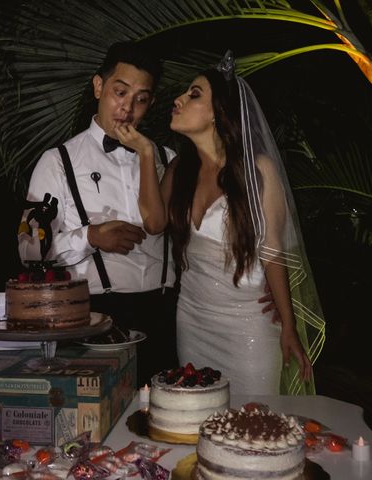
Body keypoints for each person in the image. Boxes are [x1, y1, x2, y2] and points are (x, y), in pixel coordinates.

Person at [136, 51, 326, 395]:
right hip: (192, 318)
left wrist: (288, 324)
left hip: (249, 322)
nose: (178, 99)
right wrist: (147, 154)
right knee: (203, 421)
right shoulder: (180, 169)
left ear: (217, 113)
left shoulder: (258, 171)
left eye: (194, 94)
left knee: (254, 425)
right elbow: (153, 223)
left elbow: (272, 252)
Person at [18, 41, 178, 387]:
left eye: (141, 99)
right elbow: (29, 246)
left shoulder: (165, 158)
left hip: (166, 315)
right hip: (96, 318)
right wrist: (91, 237)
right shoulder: (58, 161)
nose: (128, 108)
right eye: (120, 92)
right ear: (98, 87)